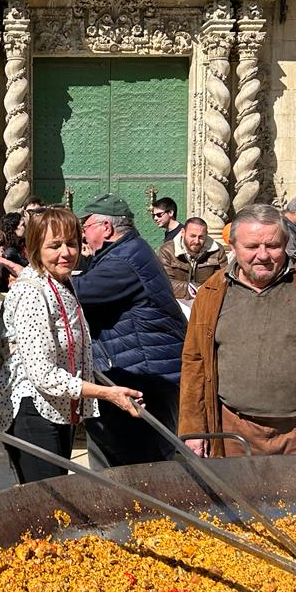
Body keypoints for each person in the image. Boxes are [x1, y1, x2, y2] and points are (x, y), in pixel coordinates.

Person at [179, 204, 296, 457]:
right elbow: (194, 361)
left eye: (272, 246)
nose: (263, 255)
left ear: (285, 243)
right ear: (233, 247)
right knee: (235, 497)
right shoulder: (212, 292)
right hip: (232, 432)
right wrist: (194, 429)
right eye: (251, 247)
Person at [0, 207, 142, 483]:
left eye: (71, 243)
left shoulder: (62, 284)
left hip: (61, 409)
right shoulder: (31, 293)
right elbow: (43, 374)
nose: (66, 253)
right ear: (35, 248)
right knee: (47, 506)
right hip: (33, 411)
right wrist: (107, 394)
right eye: (54, 245)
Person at [73, 194, 187, 468]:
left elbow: (79, 292)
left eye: (86, 228)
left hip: (143, 379)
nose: (83, 236)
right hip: (133, 372)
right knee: (114, 463)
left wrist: (36, 275)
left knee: (142, 468)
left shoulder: (125, 260)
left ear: (106, 228)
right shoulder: (126, 251)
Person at [157, 216, 227, 300]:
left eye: (201, 237)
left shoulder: (217, 250)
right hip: (176, 302)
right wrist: (195, 288)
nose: (197, 241)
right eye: (192, 236)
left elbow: (223, 280)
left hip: (207, 300)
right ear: (183, 232)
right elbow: (165, 283)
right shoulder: (167, 250)